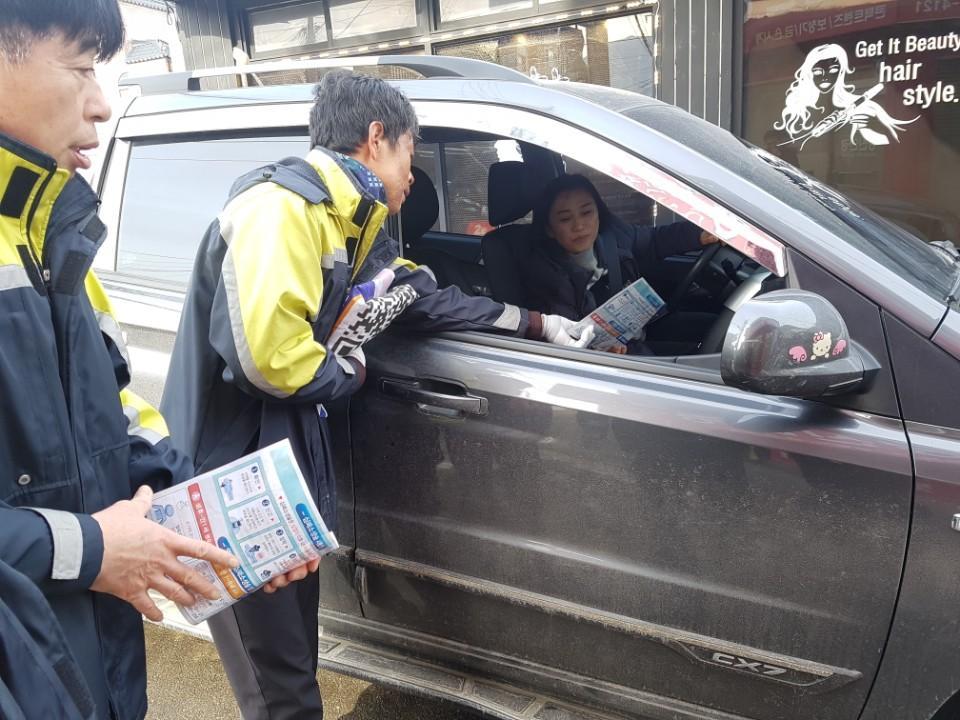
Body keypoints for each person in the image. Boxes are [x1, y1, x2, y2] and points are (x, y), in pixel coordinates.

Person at [159, 69, 590, 719]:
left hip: (279, 465)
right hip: (232, 479)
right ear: (377, 137)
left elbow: (414, 293)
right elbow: (271, 361)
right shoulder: (279, 209)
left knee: (295, 656)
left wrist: (536, 324)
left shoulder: (352, 220)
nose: (414, 176)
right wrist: (350, 372)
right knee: (276, 681)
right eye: (412, 153)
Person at [0, 3, 279, 718]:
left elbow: (117, 421)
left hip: (90, 664)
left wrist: (223, 527)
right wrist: (91, 549)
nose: (101, 105)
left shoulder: (52, 241)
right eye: (81, 69)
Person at [522, 173, 718, 353]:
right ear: (549, 229)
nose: (579, 225)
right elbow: (570, 339)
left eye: (586, 212)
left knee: (716, 328)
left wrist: (699, 235)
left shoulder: (613, 236)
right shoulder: (548, 278)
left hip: (642, 329)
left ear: (599, 213)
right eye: (565, 219)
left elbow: (654, 240)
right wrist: (603, 351)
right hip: (616, 356)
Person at [775, 43, 917, 147]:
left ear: (841, 72)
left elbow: (884, 140)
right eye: (817, 72)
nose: (825, 77)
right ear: (809, 73)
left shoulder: (860, 107)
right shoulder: (798, 107)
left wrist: (867, 129)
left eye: (833, 70)